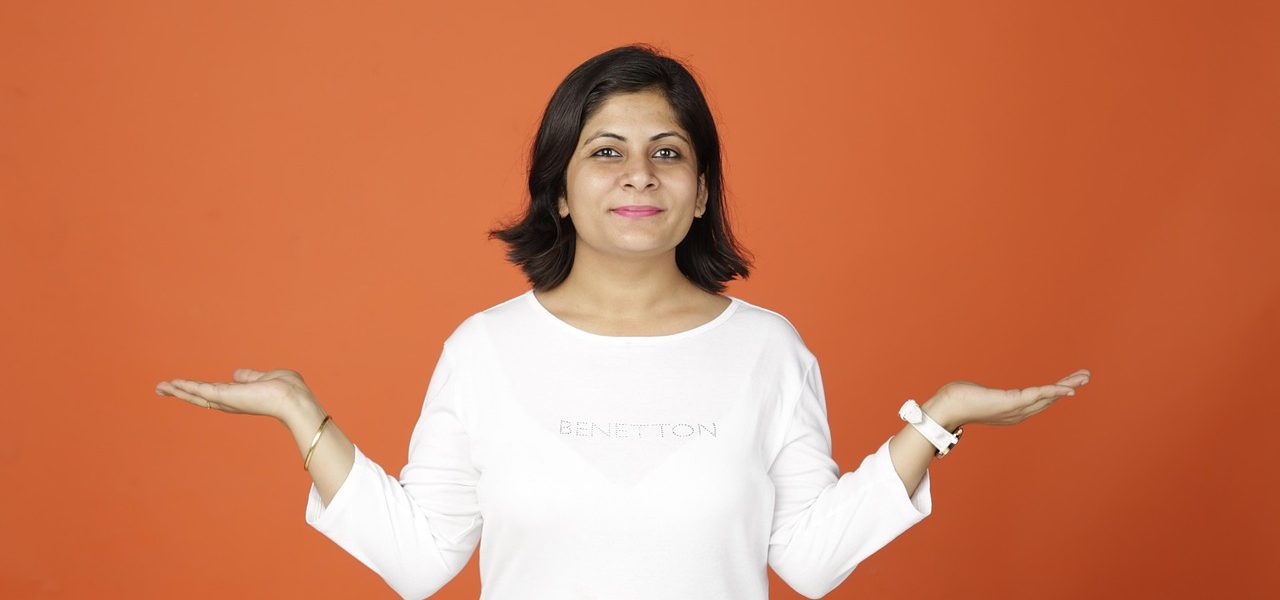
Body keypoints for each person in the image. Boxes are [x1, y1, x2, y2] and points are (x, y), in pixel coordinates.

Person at [154, 43, 1091, 600]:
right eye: (606, 152)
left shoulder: (767, 349)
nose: (639, 173)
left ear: (701, 192)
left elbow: (809, 561)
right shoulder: (485, 350)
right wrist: (299, 412)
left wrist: (939, 419)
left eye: (667, 153)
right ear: (560, 191)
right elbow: (418, 558)